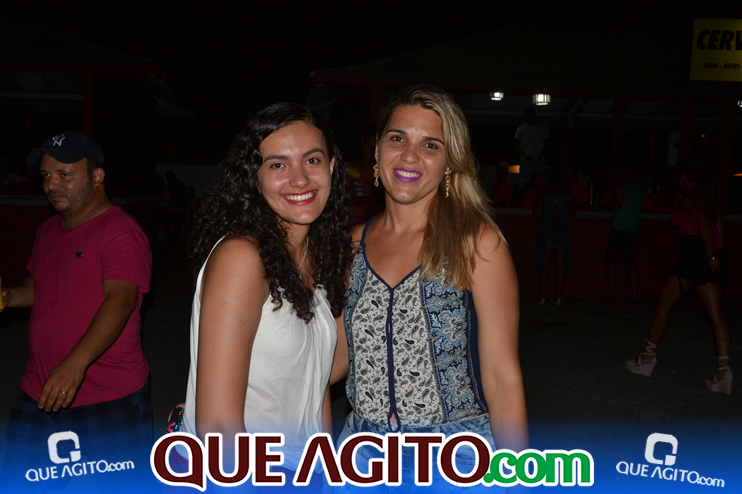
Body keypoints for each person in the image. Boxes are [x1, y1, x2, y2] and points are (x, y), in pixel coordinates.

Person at [331, 86, 528, 490]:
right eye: (397, 138)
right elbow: (333, 360)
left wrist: (519, 478)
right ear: (377, 149)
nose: (409, 156)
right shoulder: (350, 246)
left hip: (456, 460)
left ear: (450, 162)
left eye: (430, 145)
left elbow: (502, 378)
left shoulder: (476, 242)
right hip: (362, 458)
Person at [181, 103, 353, 487]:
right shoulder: (242, 258)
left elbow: (317, 384)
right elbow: (218, 426)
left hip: (304, 470)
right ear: (253, 179)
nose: (299, 179)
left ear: (331, 167)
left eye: (312, 160)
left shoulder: (319, 258)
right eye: (278, 165)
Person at [0, 131, 153, 489]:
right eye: (46, 175)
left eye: (64, 174)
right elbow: (39, 287)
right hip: (39, 387)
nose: (51, 184)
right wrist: (6, 296)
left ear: (97, 176)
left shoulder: (119, 232)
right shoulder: (48, 230)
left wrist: (74, 365)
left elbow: (121, 300)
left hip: (107, 394)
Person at [626, 160, 732, 395]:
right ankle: (723, 372)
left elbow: (704, 225)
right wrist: (715, 256)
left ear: (684, 177)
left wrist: (709, 257)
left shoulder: (686, 199)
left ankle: (647, 358)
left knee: (664, 306)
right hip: (708, 254)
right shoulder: (708, 198)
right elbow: (718, 229)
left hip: (694, 255)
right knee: (717, 315)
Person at [533, 169, 574, 305]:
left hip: (548, 232)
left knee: (545, 265)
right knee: (560, 266)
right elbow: (572, 212)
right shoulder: (567, 195)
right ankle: (558, 297)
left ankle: (543, 297)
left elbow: (538, 214)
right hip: (563, 232)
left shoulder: (544, 195)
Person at [604, 166, 644, 302]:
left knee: (612, 263)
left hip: (619, 229)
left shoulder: (621, 187)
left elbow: (616, 205)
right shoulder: (638, 190)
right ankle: (634, 294)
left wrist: (606, 206)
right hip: (633, 230)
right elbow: (640, 208)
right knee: (631, 264)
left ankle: (610, 294)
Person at [514, 107, 549, 195]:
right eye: (527, 116)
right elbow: (516, 145)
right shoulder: (521, 129)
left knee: (539, 183)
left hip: (538, 162)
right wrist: (525, 154)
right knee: (524, 184)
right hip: (526, 162)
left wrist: (541, 154)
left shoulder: (543, 129)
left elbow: (547, 144)